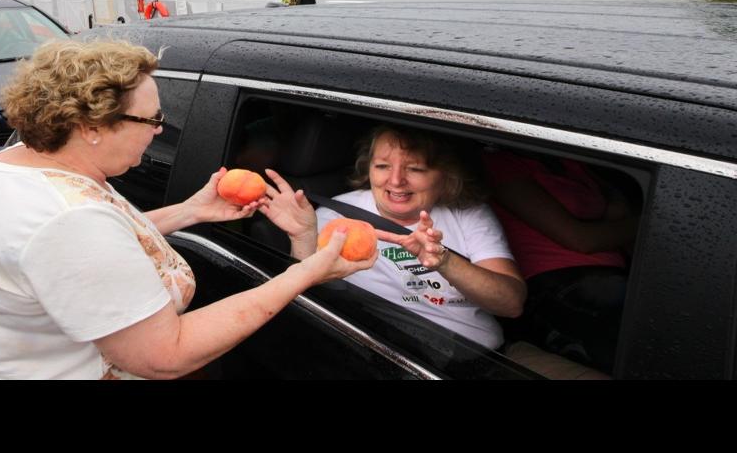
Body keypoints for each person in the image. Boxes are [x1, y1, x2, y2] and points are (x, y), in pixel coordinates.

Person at [0, 39, 377, 379]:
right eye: (151, 119)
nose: (159, 130)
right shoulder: (68, 220)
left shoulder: (19, 163)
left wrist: (190, 211)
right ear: (91, 127)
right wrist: (306, 272)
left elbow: (94, 250)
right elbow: (163, 357)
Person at [259, 125, 526, 350]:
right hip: (403, 355)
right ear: (369, 169)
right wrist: (303, 238)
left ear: (446, 176)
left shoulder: (467, 212)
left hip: (493, 357)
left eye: (416, 169)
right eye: (383, 166)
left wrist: (443, 261)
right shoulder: (334, 217)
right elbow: (305, 298)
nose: (396, 180)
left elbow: (511, 304)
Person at [483, 149, 637, 373]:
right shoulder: (501, 163)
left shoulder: (574, 161)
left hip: (610, 276)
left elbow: (615, 217)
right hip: (554, 283)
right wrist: (646, 223)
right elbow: (581, 240)